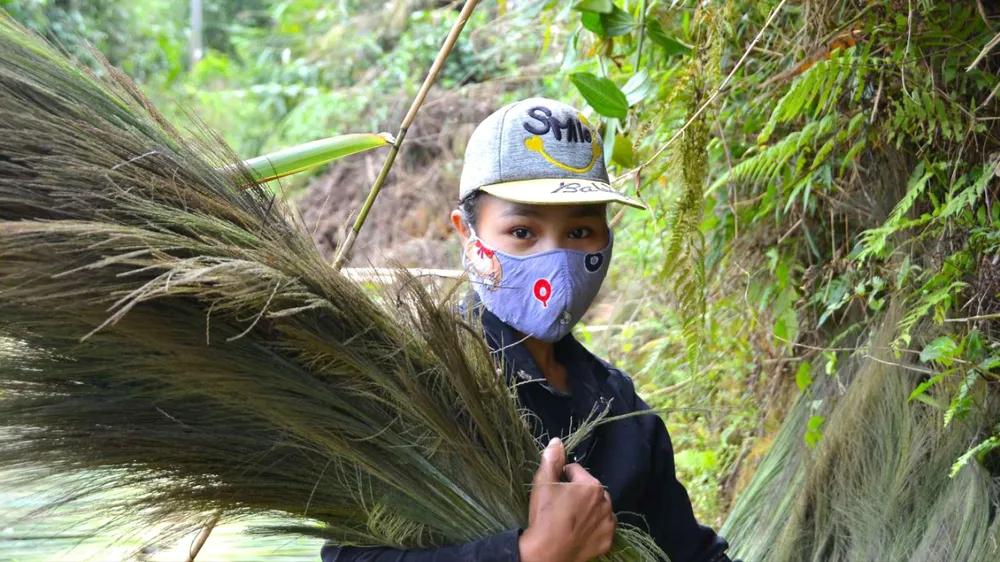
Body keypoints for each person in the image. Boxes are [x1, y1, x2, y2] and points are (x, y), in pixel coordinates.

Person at [322, 98, 737, 562]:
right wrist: (529, 554)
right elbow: (351, 556)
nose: (556, 262)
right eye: (522, 231)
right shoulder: (414, 386)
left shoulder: (622, 411)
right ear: (466, 232)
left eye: (580, 233)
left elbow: (691, 552)